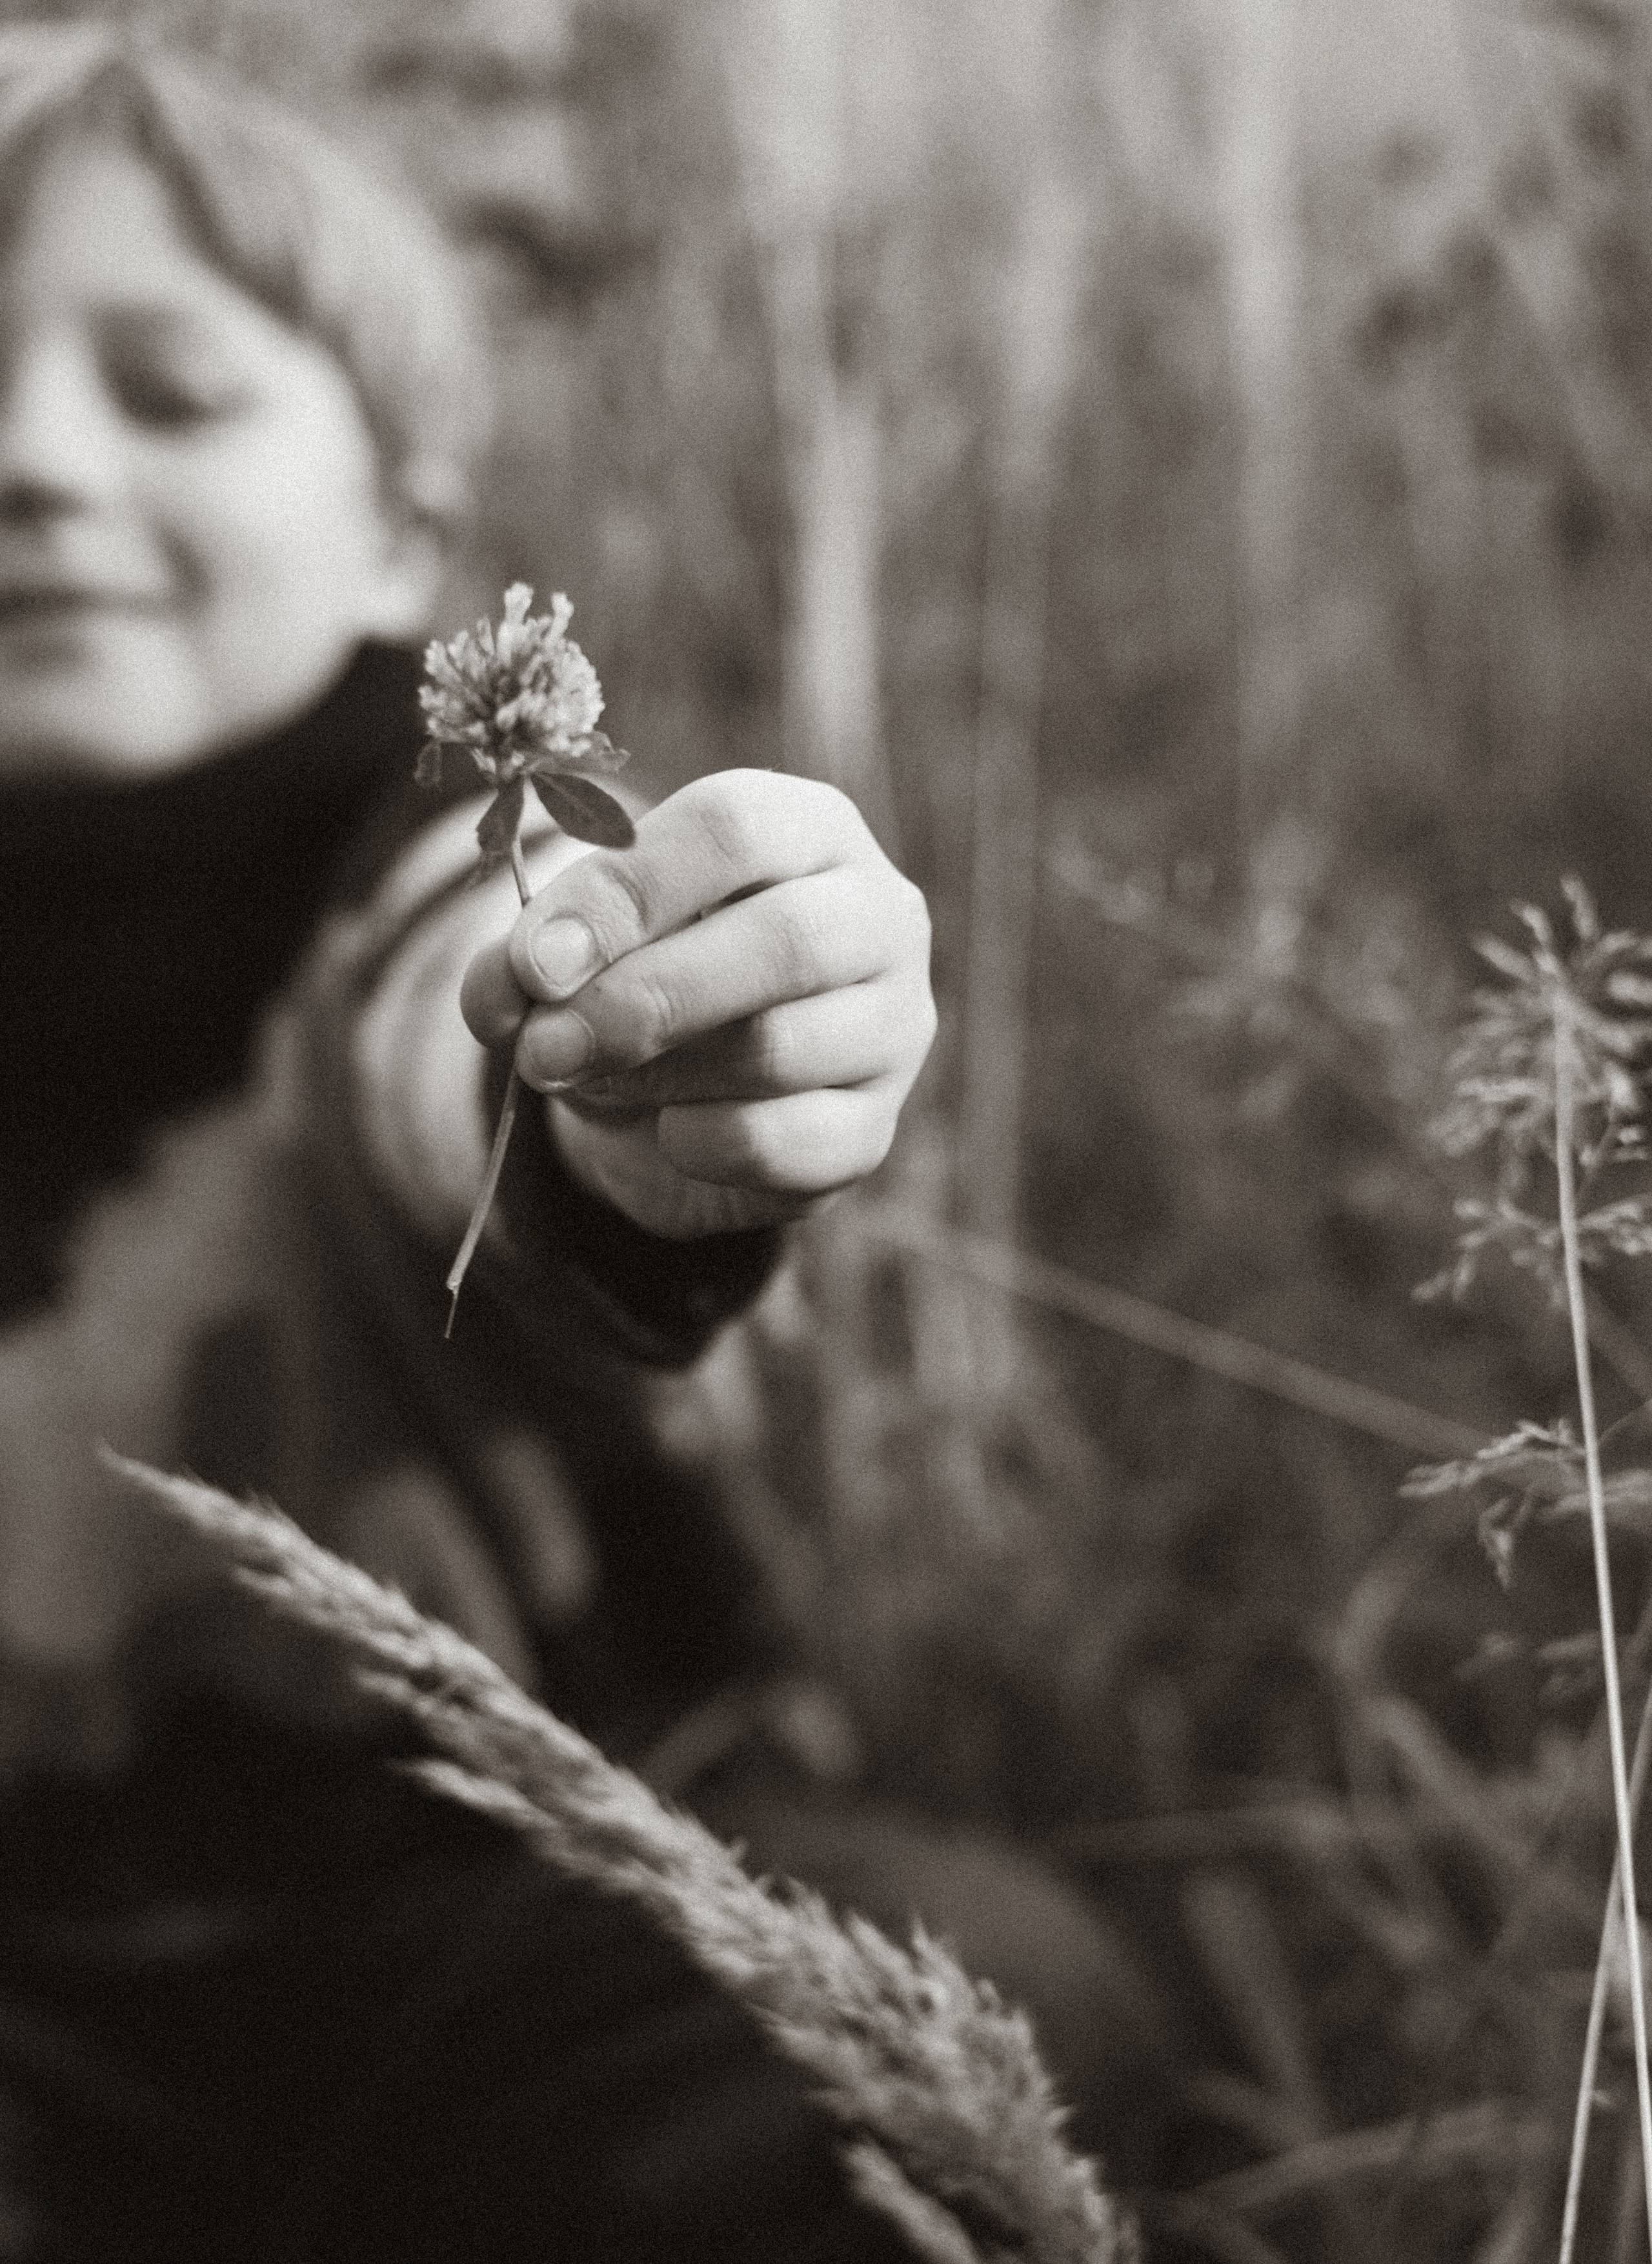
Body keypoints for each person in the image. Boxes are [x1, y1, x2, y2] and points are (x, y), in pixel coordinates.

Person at [0, 30, 1150, 2261]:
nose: (29, 461)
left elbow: (464, 1039)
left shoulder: (419, 861)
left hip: (502, 1911)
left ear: (402, 538)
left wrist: (639, 1091)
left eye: (172, 393)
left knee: (997, 2001)